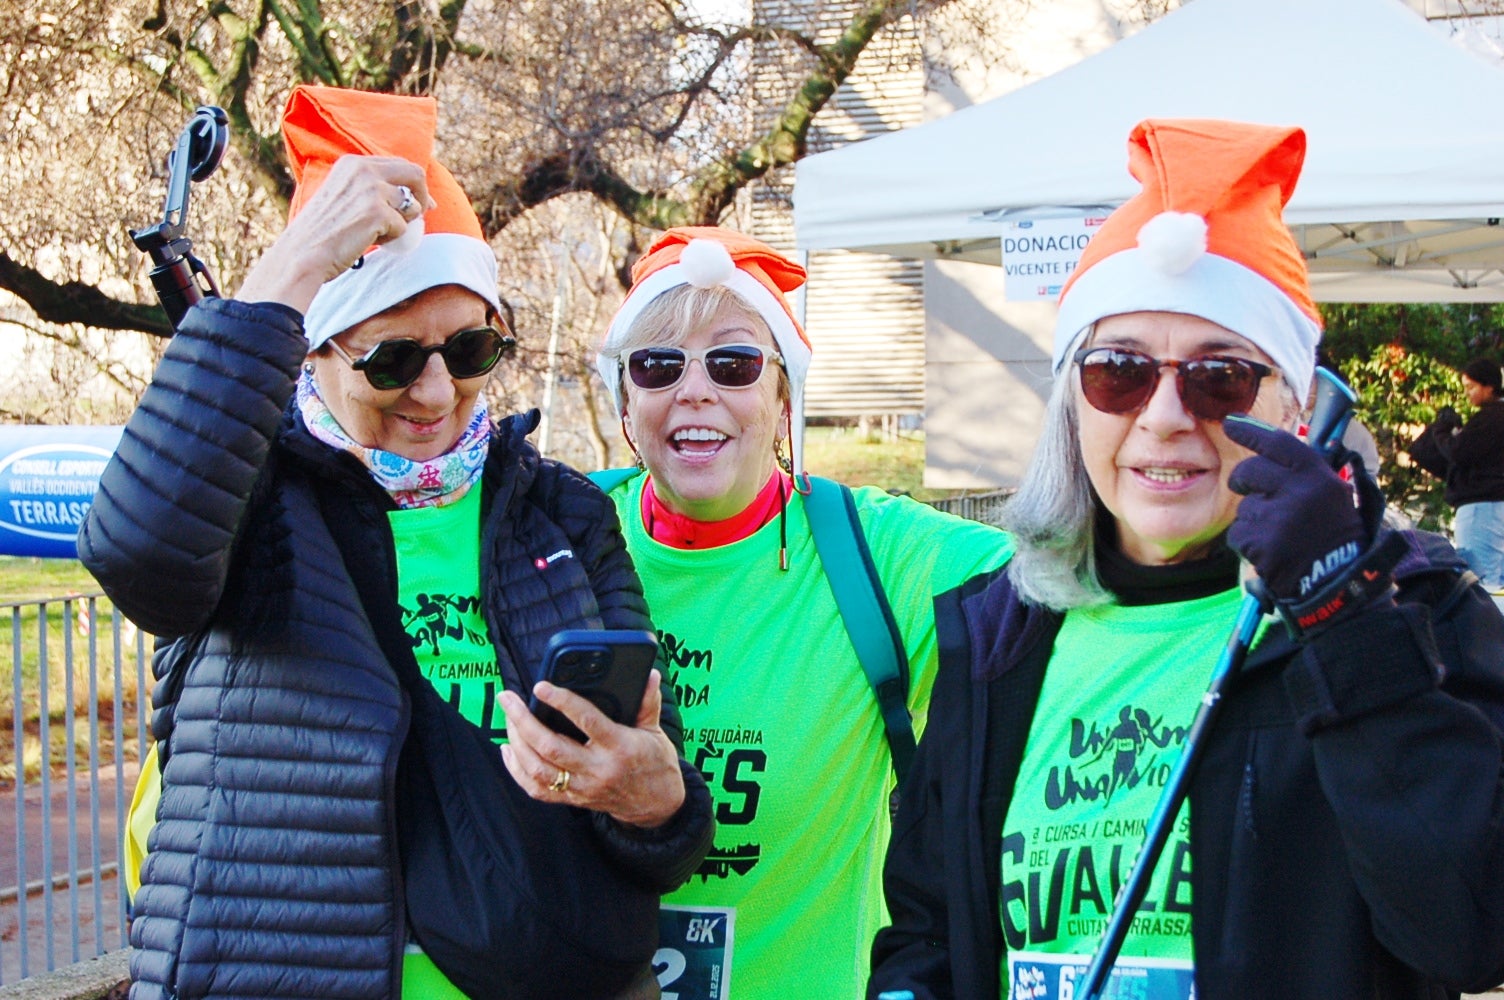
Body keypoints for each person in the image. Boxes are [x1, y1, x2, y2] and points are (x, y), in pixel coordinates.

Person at [81, 86, 712, 1000]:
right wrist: (293, 266)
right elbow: (137, 554)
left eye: (468, 351)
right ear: (315, 351)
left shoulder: (559, 512)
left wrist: (656, 797)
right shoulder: (249, 493)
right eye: (389, 359)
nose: (431, 392)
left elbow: (663, 819)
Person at [868, 119, 1504, 999]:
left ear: (1292, 410)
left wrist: (1341, 613)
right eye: (1119, 371)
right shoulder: (998, 631)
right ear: (1072, 404)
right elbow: (933, 928)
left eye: (1220, 379)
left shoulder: (1417, 609)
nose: (1165, 415)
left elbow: (1471, 929)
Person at [591, 227, 1013, 999]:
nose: (695, 390)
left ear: (784, 392)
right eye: (657, 365)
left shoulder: (875, 554)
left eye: (734, 363)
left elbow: (1073, 572)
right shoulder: (561, 535)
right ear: (626, 395)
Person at [1408, 357, 1504, 591]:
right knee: (1495, 579)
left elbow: (1459, 451)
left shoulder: (1493, 417)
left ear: (1489, 386)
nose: (1467, 393)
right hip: (1492, 506)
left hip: (1482, 508)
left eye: (1471, 387)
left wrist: (1442, 431)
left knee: (1482, 582)